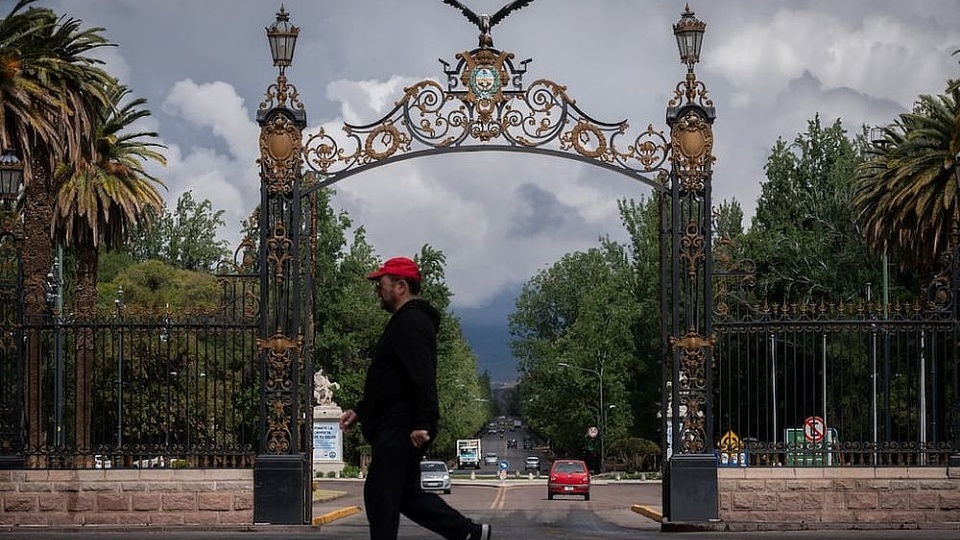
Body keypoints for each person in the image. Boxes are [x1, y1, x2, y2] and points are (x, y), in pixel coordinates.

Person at [339, 256, 492, 540]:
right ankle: (468, 533)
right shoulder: (405, 321)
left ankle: (468, 532)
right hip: (399, 420)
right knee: (404, 494)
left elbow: (422, 374)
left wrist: (424, 421)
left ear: (401, 286)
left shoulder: (411, 322)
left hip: (402, 424)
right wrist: (360, 410)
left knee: (381, 494)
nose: (377, 290)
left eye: (381, 284)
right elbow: (390, 381)